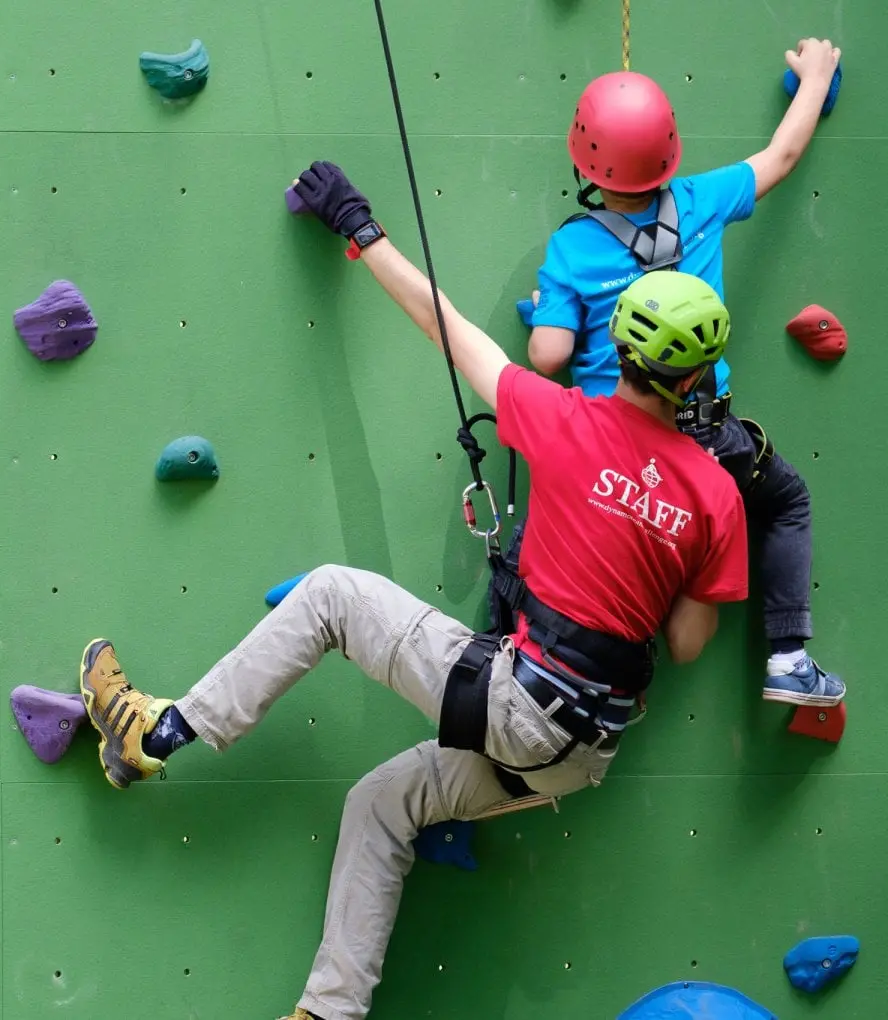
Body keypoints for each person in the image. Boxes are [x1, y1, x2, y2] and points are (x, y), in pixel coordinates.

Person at [78, 162, 749, 1020]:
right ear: (698, 378)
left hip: (520, 701)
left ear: (617, 346)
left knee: (328, 595)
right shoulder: (717, 495)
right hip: (583, 754)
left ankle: (153, 734)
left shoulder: (564, 419)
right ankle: (329, 1012)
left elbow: (452, 330)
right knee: (382, 807)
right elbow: (689, 644)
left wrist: (362, 230)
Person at [520, 40, 843, 708]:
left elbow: (549, 357)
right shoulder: (701, 202)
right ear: (671, 149)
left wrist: (549, 313)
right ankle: (788, 656)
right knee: (785, 500)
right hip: (704, 439)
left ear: (583, 157)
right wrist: (815, 78)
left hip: (610, 450)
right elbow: (782, 156)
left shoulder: (574, 247)